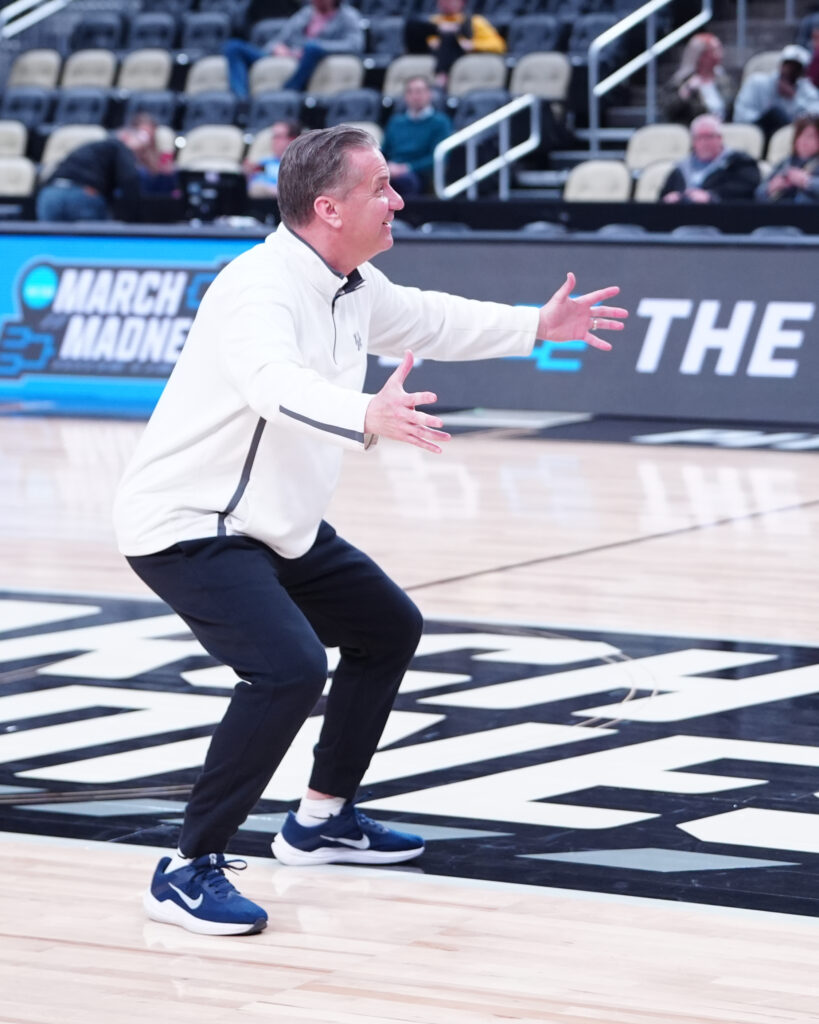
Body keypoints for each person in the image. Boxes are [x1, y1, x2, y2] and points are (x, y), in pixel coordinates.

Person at [112, 124, 627, 937]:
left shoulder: (351, 281)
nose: (397, 198)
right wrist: (365, 414)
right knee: (285, 668)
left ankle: (319, 821)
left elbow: (430, 318)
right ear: (328, 207)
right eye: (380, 187)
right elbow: (271, 384)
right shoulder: (259, 287)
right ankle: (186, 866)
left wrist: (533, 326)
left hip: (275, 523)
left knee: (388, 627)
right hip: (190, 522)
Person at [222, 0, 364, 99]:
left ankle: (288, 91)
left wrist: (319, 46)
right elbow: (278, 39)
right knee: (233, 46)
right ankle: (241, 97)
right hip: (288, 54)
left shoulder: (348, 16)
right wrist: (277, 48)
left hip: (311, 55)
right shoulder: (306, 13)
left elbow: (355, 45)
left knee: (311, 47)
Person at [36, 123, 155, 222]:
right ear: (125, 135)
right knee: (89, 246)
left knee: (51, 246)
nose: (140, 153)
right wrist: (131, 221)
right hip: (83, 194)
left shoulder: (90, 148)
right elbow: (131, 179)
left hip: (49, 194)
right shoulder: (120, 146)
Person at [660, 113, 760, 203]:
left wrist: (711, 196)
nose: (704, 142)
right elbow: (662, 197)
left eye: (709, 136)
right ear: (693, 141)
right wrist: (671, 198)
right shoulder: (680, 169)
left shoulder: (739, 162)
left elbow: (748, 188)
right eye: (699, 137)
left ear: (720, 138)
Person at [405, 0, 506, 89]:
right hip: (434, 52)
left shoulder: (475, 21)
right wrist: (436, 32)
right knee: (413, 25)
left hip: (458, 52)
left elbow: (499, 45)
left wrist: (473, 45)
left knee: (449, 36)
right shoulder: (435, 20)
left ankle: (441, 79)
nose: (444, 3)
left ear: (462, 2)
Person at [381, 76, 452, 196]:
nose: (415, 96)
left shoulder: (440, 122)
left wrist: (407, 168)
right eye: (410, 92)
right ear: (405, 96)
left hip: (419, 173)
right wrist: (386, 167)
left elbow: (438, 158)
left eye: (419, 91)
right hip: (392, 169)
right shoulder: (396, 122)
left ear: (429, 94)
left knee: (405, 181)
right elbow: (384, 152)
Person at [733, 44, 819, 138]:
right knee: (775, 114)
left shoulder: (808, 91)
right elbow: (741, 113)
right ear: (781, 65)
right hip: (757, 133)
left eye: (796, 68)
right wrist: (765, 121)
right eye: (788, 65)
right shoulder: (756, 82)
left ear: (802, 71)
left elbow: (813, 118)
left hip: (789, 137)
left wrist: (794, 98)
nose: (790, 70)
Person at [662, 32, 734, 125]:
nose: (720, 55)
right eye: (714, 51)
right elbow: (669, 112)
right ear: (701, 56)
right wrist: (684, 93)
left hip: (723, 130)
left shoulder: (725, 80)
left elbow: (732, 109)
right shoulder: (680, 82)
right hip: (692, 133)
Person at [755, 112, 819, 202]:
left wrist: (807, 182)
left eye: (810, 136)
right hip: (781, 211)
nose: (803, 141)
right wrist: (771, 188)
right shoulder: (785, 163)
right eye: (799, 135)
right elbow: (758, 194)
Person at [245, 118, 301, 198]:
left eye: (278, 136)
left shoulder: (301, 165)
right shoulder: (263, 162)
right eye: (273, 137)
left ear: (292, 139)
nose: (274, 141)